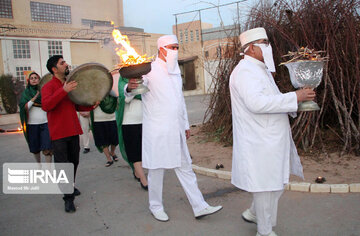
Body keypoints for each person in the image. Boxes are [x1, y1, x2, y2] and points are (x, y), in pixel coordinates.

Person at [229, 27, 316, 236]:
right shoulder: (245, 72)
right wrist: (294, 97)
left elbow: (271, 100)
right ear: (250, 48)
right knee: (266, 187)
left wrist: (297, 100)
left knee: (275, 184)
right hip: (259, 141)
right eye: (263, 43)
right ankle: (264, 231)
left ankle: (253, 213)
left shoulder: (260, 70)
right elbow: (257, 103)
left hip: (270, 139)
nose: (268, 47)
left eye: (267, 42)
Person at [125, 35, 222, 222]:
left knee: (185, 167)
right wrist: (130, 87)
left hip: (176, 129)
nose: (175, 51)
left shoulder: (175, 70)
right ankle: (156, 206)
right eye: (173, 47)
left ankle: (199, 206)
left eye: (177, 47)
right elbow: (130, 93)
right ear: (162, 49)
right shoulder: (148, 69)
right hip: (157, 130)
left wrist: (185, 124)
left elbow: (179, 101)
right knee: (156, 170)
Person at [41, 55, 97, 213]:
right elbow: (46, 105)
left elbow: (77, 106)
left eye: (65, 62)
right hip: (58, 133)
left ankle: (69, 186)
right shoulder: (49, 87)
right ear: (54, 69)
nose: (66, 64)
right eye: (62, 63)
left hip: (73, 130)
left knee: (73, 162)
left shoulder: (70, 85)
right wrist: (63, 90)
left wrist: (91, 105)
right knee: (63, 165)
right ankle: (68, 198)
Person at [117, 75, 148, 190]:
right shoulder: (123, 81)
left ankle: (137, 171)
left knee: (143, 151)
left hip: (145, 121)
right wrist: (131, 88)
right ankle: (143, 180)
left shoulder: (145, 79)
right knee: (135, 153)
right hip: (129, 123)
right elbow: (125, 97)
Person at [19, 71, 52, 165]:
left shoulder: (44, 91)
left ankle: (48, 169)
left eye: (36, 78)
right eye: (32, 78)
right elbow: (24, 108)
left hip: (45, 123)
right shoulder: (26, 93)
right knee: (35, 148)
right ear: (29, 81)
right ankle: (39, 166)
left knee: (47, 146)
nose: (34, 80)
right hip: (32, 125)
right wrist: (34, 98)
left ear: (39, 80)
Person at [90, 94, 119, 167]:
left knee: (115, 139)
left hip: (111, 118)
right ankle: (109, 159)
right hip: (98, 119)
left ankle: (112, 152)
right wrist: (95, 104)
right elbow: (89, 105)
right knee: (102, 141)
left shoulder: (111, 92)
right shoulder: (93, 93)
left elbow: (117, 97)